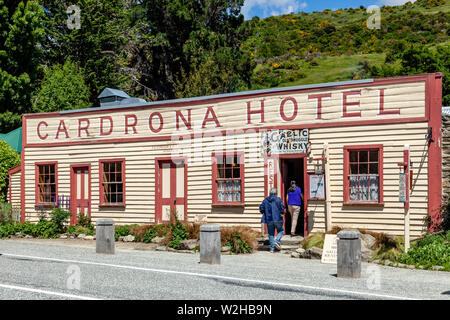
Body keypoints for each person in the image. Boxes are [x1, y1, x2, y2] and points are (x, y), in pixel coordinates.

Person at [259, 188, 285, 253]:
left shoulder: (265, 200)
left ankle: (272, 249)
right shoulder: (278, 200)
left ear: (269, 193)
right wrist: (282, 213)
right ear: (276, 193)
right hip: (278, 219)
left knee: (271, 234)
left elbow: (261, 209)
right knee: (281, 230)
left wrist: (265, 212)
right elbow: (282, 209)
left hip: (269, 219)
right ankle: (277, 241)